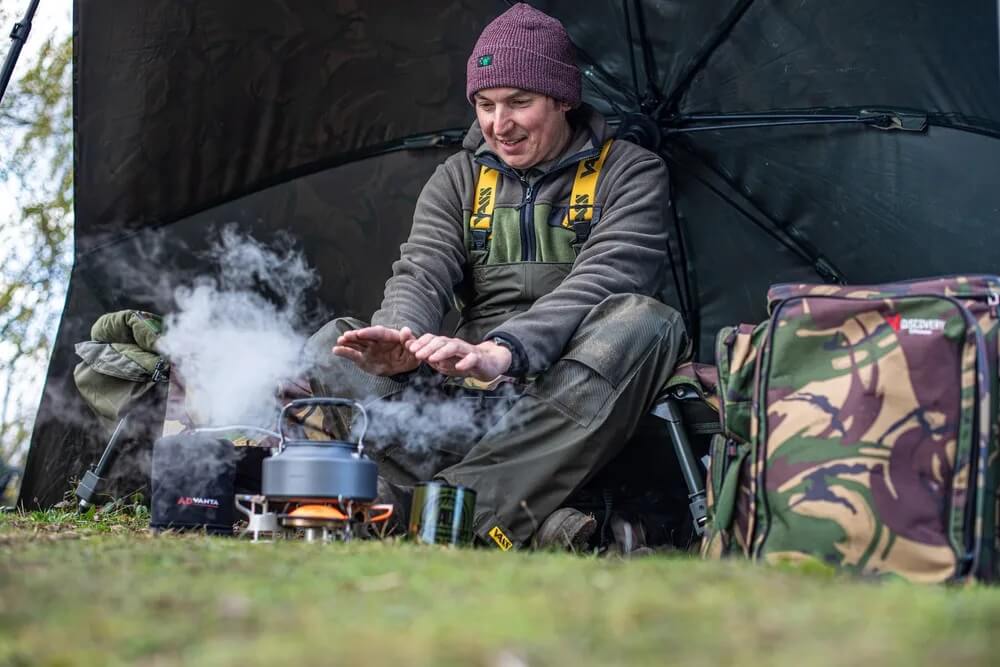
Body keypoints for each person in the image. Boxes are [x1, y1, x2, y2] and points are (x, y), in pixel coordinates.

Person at [307, 3, 687, 550]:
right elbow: (421, 269)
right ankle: (523, 516)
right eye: (485, 105)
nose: (498, 125)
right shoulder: (457, 178)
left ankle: (441, 513)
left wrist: (504, 350)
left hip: (570, 402)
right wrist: (400, 339)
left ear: (563, 98)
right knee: (332, 346)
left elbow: (605, 279)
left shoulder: (632, 172)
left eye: (519, 102)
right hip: (466, 400)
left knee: (648, 322)